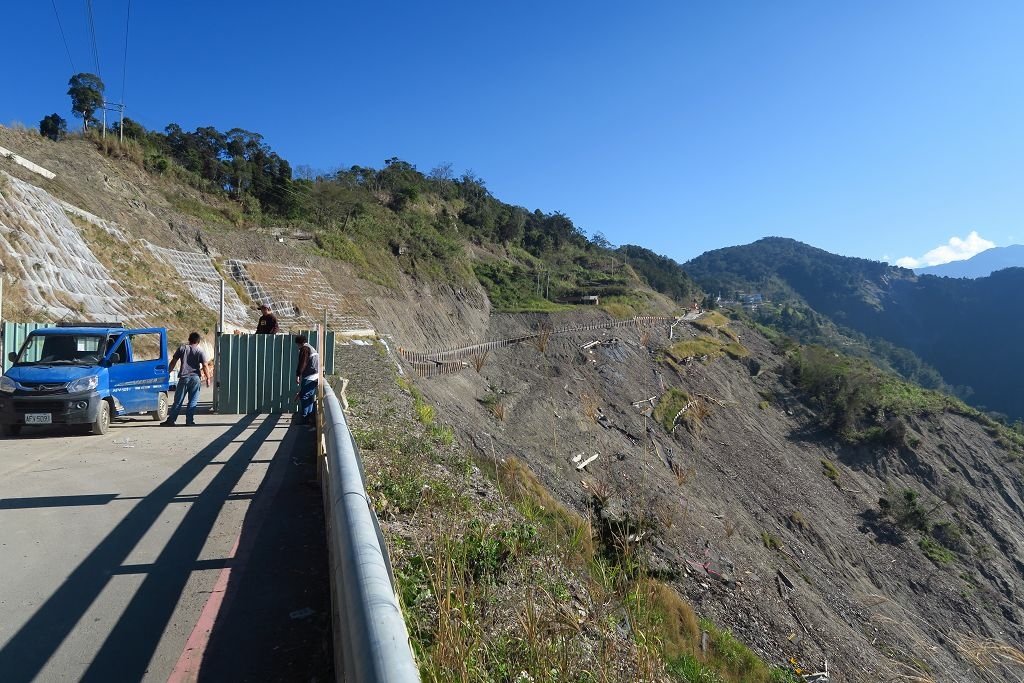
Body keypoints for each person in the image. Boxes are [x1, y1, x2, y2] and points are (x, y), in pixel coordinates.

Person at [162, 332, 210, 427]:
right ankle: (189, 421)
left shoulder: (182, 348)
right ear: (198, 341)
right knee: (193, 401)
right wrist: (208, 378)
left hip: (184, 378)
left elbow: (173, 362)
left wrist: (168, 373)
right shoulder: (200, 351)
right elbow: (205, 365)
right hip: (195, 378)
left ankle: (171, 420)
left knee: (178, 401)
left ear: (189, 339)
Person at [294, 334, 320, 426]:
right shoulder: (311, 348)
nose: (297, 347)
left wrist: (298, 374)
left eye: (297, 345)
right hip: (315, 375)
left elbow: (303, 362)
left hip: (309, 376)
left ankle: (305, 417)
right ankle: (310, 417)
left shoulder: (304, 349)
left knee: (304, 396)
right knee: (309, 396)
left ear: (299, 343)